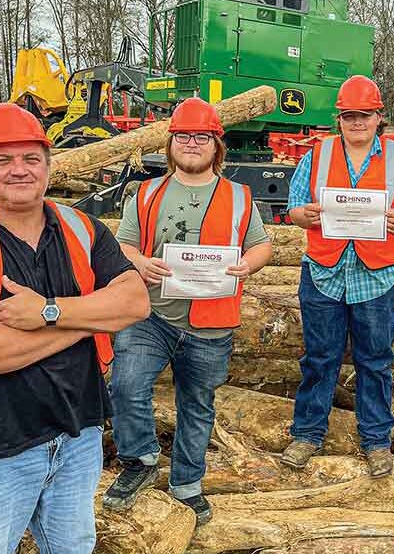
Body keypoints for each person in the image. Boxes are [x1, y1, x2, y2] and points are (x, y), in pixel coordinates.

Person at [0, 103, 149, 554]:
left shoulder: (83, 229)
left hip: (78, 434)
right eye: (3, 160)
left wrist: (48, 312)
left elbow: (135, 301)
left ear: (48, 164)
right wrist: (87, 319)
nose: (19, 170)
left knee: (73, 546)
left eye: (31, 159)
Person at [104, 97, 272, 525]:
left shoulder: (238, 196)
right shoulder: (146, 194)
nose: (191, 143)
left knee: (197, 406)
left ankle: (187, 485)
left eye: (201, 137)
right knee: (125, 383)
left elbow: (262, 245)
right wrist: (139, 263)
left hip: (210, 323)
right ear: (171, 143)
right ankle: (140, 460)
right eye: (183, 136)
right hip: (150, 315)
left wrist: (246, 265)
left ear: (217, 145)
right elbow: (121, 245)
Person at [282, 75, 394, 477]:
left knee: (376, 361)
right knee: (319, 358)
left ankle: (376, 440)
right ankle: (308, 434)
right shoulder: (318, 155)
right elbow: (294, 207)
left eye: (364, 115)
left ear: (378, 117)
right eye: (349, 116)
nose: (356, 123)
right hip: (324, 269)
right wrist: (304, 215)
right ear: (340, 119)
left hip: (378, 274)